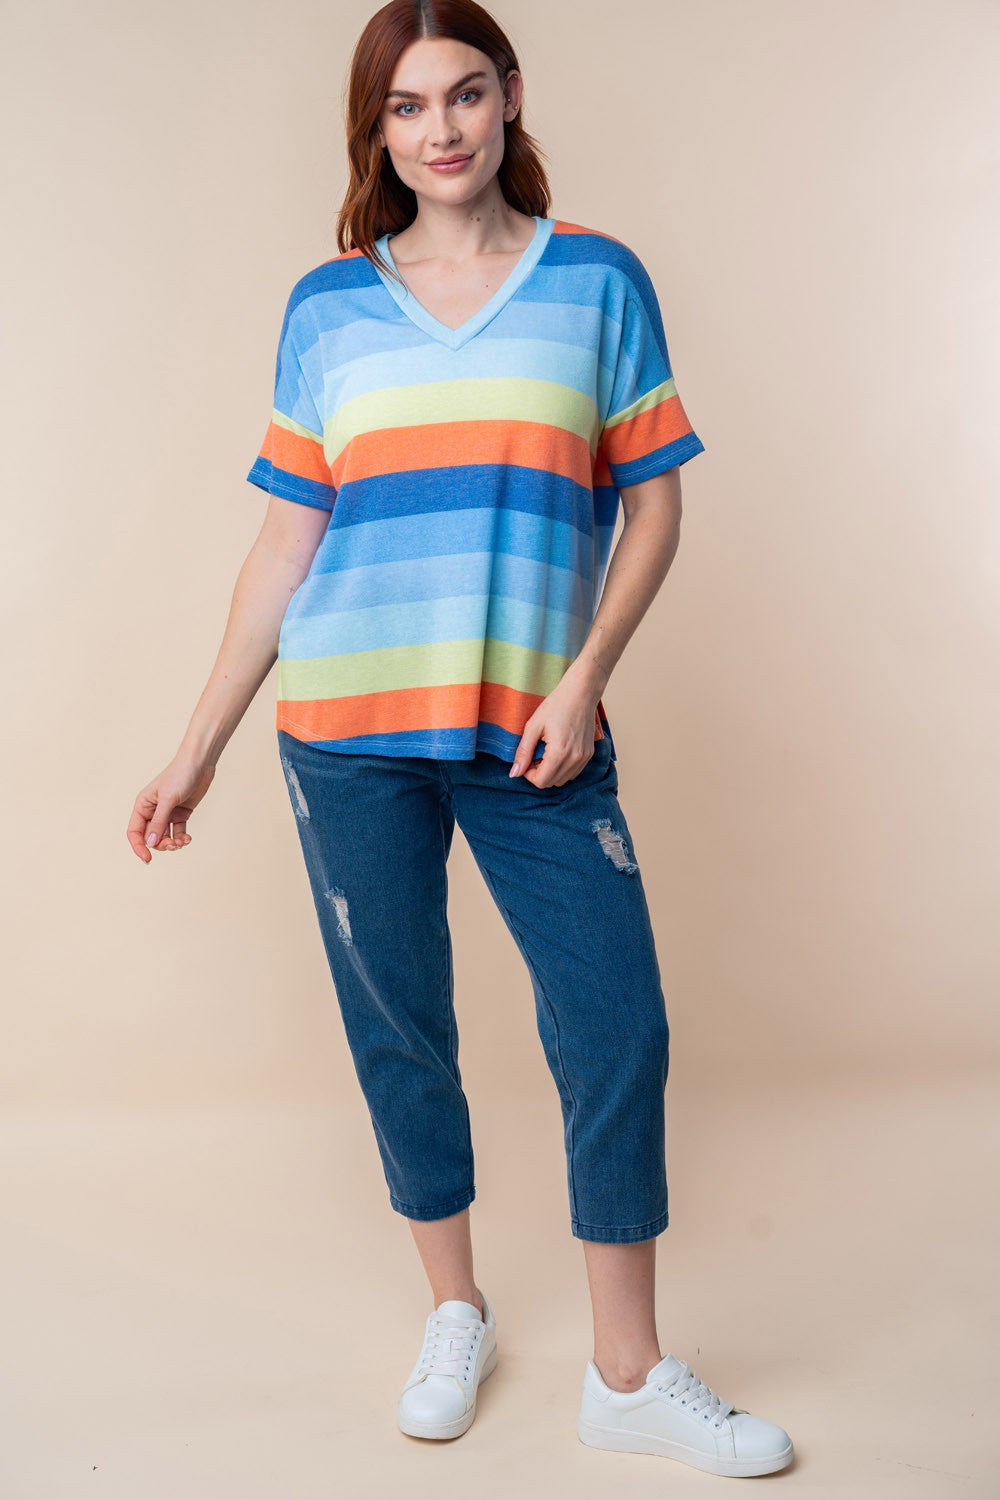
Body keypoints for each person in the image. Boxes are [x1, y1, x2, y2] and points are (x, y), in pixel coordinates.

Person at [127, 0, 793, 1479]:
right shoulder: (328, 308)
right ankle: (456, 1310)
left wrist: (586, 676)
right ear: (377, 131)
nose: (442, 129)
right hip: (345, 731)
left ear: (510, 98)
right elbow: (286, 543)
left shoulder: (597, 281)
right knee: (401, 1028)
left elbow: (655, 503)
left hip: (533, 731)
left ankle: (628, 1374)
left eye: (466, 94)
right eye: (409, 107)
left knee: (616, 1025)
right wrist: (198, 748)